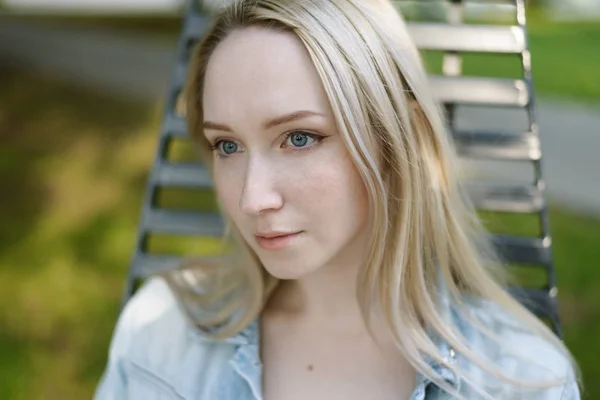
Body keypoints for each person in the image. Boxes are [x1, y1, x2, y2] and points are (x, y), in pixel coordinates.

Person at [94, 0, 582, 399]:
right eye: (228, 145)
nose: (251, 198)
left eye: (299, 138)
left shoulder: (520, 380)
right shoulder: (160, 332)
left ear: (401, 139)